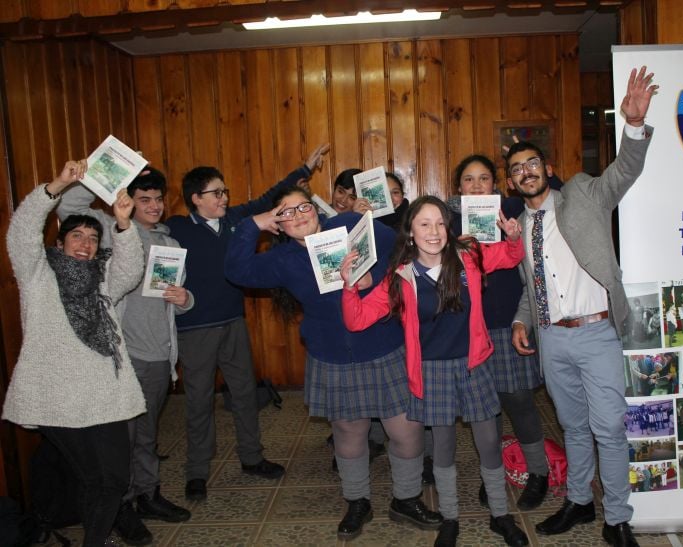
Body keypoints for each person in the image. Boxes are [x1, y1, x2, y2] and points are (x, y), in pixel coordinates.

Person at [224, 186, 441, 541]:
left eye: (303, 206)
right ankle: (357, 501)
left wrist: (376, 281)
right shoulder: (282, 260)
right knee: (349, 434)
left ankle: (406, 497)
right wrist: (253, 223)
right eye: (286, 212)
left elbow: (401, 247)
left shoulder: (350, 223)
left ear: (316, 208)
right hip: (331, 354)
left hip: (383, 346)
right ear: (278, 223)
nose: (298, 215)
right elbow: (237, 270)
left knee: (407, 431)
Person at [508, 66, 657, 547]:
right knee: (573, 426)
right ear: (512, 182)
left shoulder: (584, 194)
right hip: (552, 339)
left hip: (596, 334)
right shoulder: (520, 228)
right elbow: (533, 288)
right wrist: (520, 320)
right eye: (516, 169)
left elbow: (625, 170)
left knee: (609, 428)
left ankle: (617, 520)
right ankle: (579, 501)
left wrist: (632, 126)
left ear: (547, 169)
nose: (525, 172)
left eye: (532, 164)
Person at [341, 196, 529, 547]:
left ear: (448, 227)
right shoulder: (399, 277)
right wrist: (350, 285)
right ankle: (451, 517)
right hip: (432, 371)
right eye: (424, 224)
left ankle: (500, 515)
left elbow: (511, 255)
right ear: (410, 232)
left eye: (440, 223)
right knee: (443, 447)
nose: (434, 231)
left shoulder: (469, 255)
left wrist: (514, 237)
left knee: (488, 442)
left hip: (474, 364)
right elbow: (357, 319)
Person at [165, 143, 329, 501]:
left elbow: (269, 200)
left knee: (244, 395)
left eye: (225, 191)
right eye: (216, 192)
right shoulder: (176, 229)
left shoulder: (234, 222)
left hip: (233, 321)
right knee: (198, 401)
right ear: (196, 198)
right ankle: (197, 472)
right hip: (194, 327)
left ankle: (252, 458)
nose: (224, 197)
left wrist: (303, 167)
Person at [2, 161, 147, 547]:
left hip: (105, 397)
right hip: (57, 398)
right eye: (76, 236)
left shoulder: (103, 280)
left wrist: (123, 225)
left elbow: (130, 270)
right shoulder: (37, 275)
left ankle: (95, 539)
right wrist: (56, 186)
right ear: (60, 242)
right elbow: (21, 230)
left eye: (92, 239)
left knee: (113, 479)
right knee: (93, 479)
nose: (84, 245)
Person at [57, 168, 195, 544]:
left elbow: (179, 300)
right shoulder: (108, 229)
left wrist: (185, 300)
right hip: (124, 355)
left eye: (158, 199)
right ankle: (123, 508)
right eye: (144, 199)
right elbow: (70, 205)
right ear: (128, 201)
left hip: (159, 354)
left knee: (147, 435)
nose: (153, 206)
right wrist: (105, 170)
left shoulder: (170, 241)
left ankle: (147, 495)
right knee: (124, 441)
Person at [446, 153, 562, 511]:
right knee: (485, 411)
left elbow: (553, 188)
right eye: (469, 179)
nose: (477, 185)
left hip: (510, 321)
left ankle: (538, 473)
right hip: (472, 330)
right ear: (459, 187)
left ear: (496, 184)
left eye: (484, 178)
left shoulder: (512, 208)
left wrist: (540, 167)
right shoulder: (448, 221)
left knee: (520, 402)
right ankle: (491, 474)